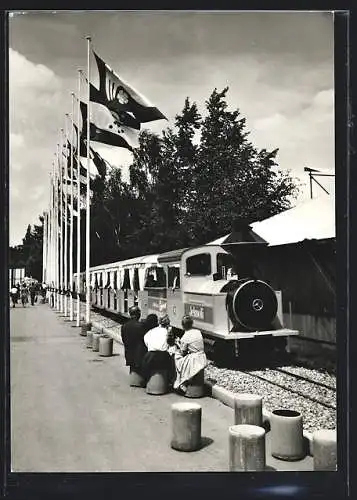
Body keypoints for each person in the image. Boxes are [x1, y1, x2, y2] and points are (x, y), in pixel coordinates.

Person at [173, 315, 208, 394]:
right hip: (202, 356)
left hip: (194, 359)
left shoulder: (185, 337)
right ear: (192, 324)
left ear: (182, 326)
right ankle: (185, 381)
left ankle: (181, 381)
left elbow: (183, 352)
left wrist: (178, 343)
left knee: (177, 357)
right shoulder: (197, 332)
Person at [141, 314, 173, 383]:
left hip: (149, 357)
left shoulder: (151, 331)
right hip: (163, 357)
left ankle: (146, 380)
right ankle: (170, 380)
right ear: (168, 324)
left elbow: (146, 341)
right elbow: (170, 345)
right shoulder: (167, 332)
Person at [121, 306, 146, 376]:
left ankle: (133, 376)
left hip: (129, 355)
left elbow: (124, 340)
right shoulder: (141, 326)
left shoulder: (124, 326)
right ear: (138, 314)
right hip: (139, 356)